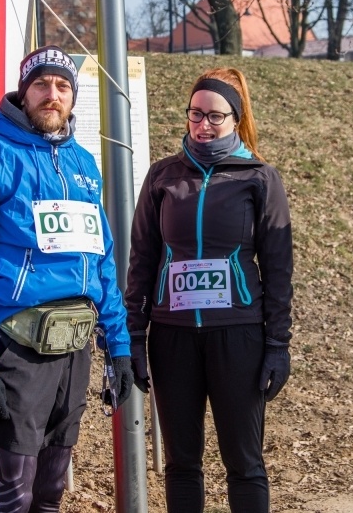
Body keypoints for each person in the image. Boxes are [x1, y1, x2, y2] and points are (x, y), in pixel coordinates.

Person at [0, 45, 133, 513]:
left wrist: (119, 346)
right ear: (23, 93)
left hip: (74, 348)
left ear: (72, 98)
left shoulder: (84, 165)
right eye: (41, 84)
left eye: (63, 86)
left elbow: (101, 261)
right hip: (16, 348)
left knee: (50, 492)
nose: (52, 94)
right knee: (14, 494)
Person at [125, 67, 294, 512]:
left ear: (235, 119)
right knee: (182, 463)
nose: (202, 125)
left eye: (215, 116)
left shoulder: (258, 178)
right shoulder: (163, 177)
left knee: (244, 461)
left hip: (238, 335)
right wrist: (135, 340)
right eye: (194, 114)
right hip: (171, 336)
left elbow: (278, 270)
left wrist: (278, 343)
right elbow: (141, 262)